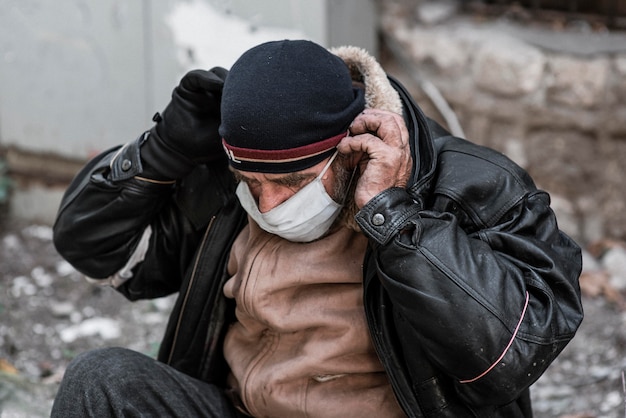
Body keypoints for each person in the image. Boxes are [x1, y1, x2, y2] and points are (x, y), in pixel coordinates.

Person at [50, 39, 583, 417]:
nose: (270, 202)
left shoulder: (473, 185)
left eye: (295, 181)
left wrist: (395, 218)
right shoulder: (234, 179)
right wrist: (161, 151)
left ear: (352, 144)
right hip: (244, 408)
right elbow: (96, 248)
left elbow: (508, 360)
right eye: (251, 181)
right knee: (102, 379)